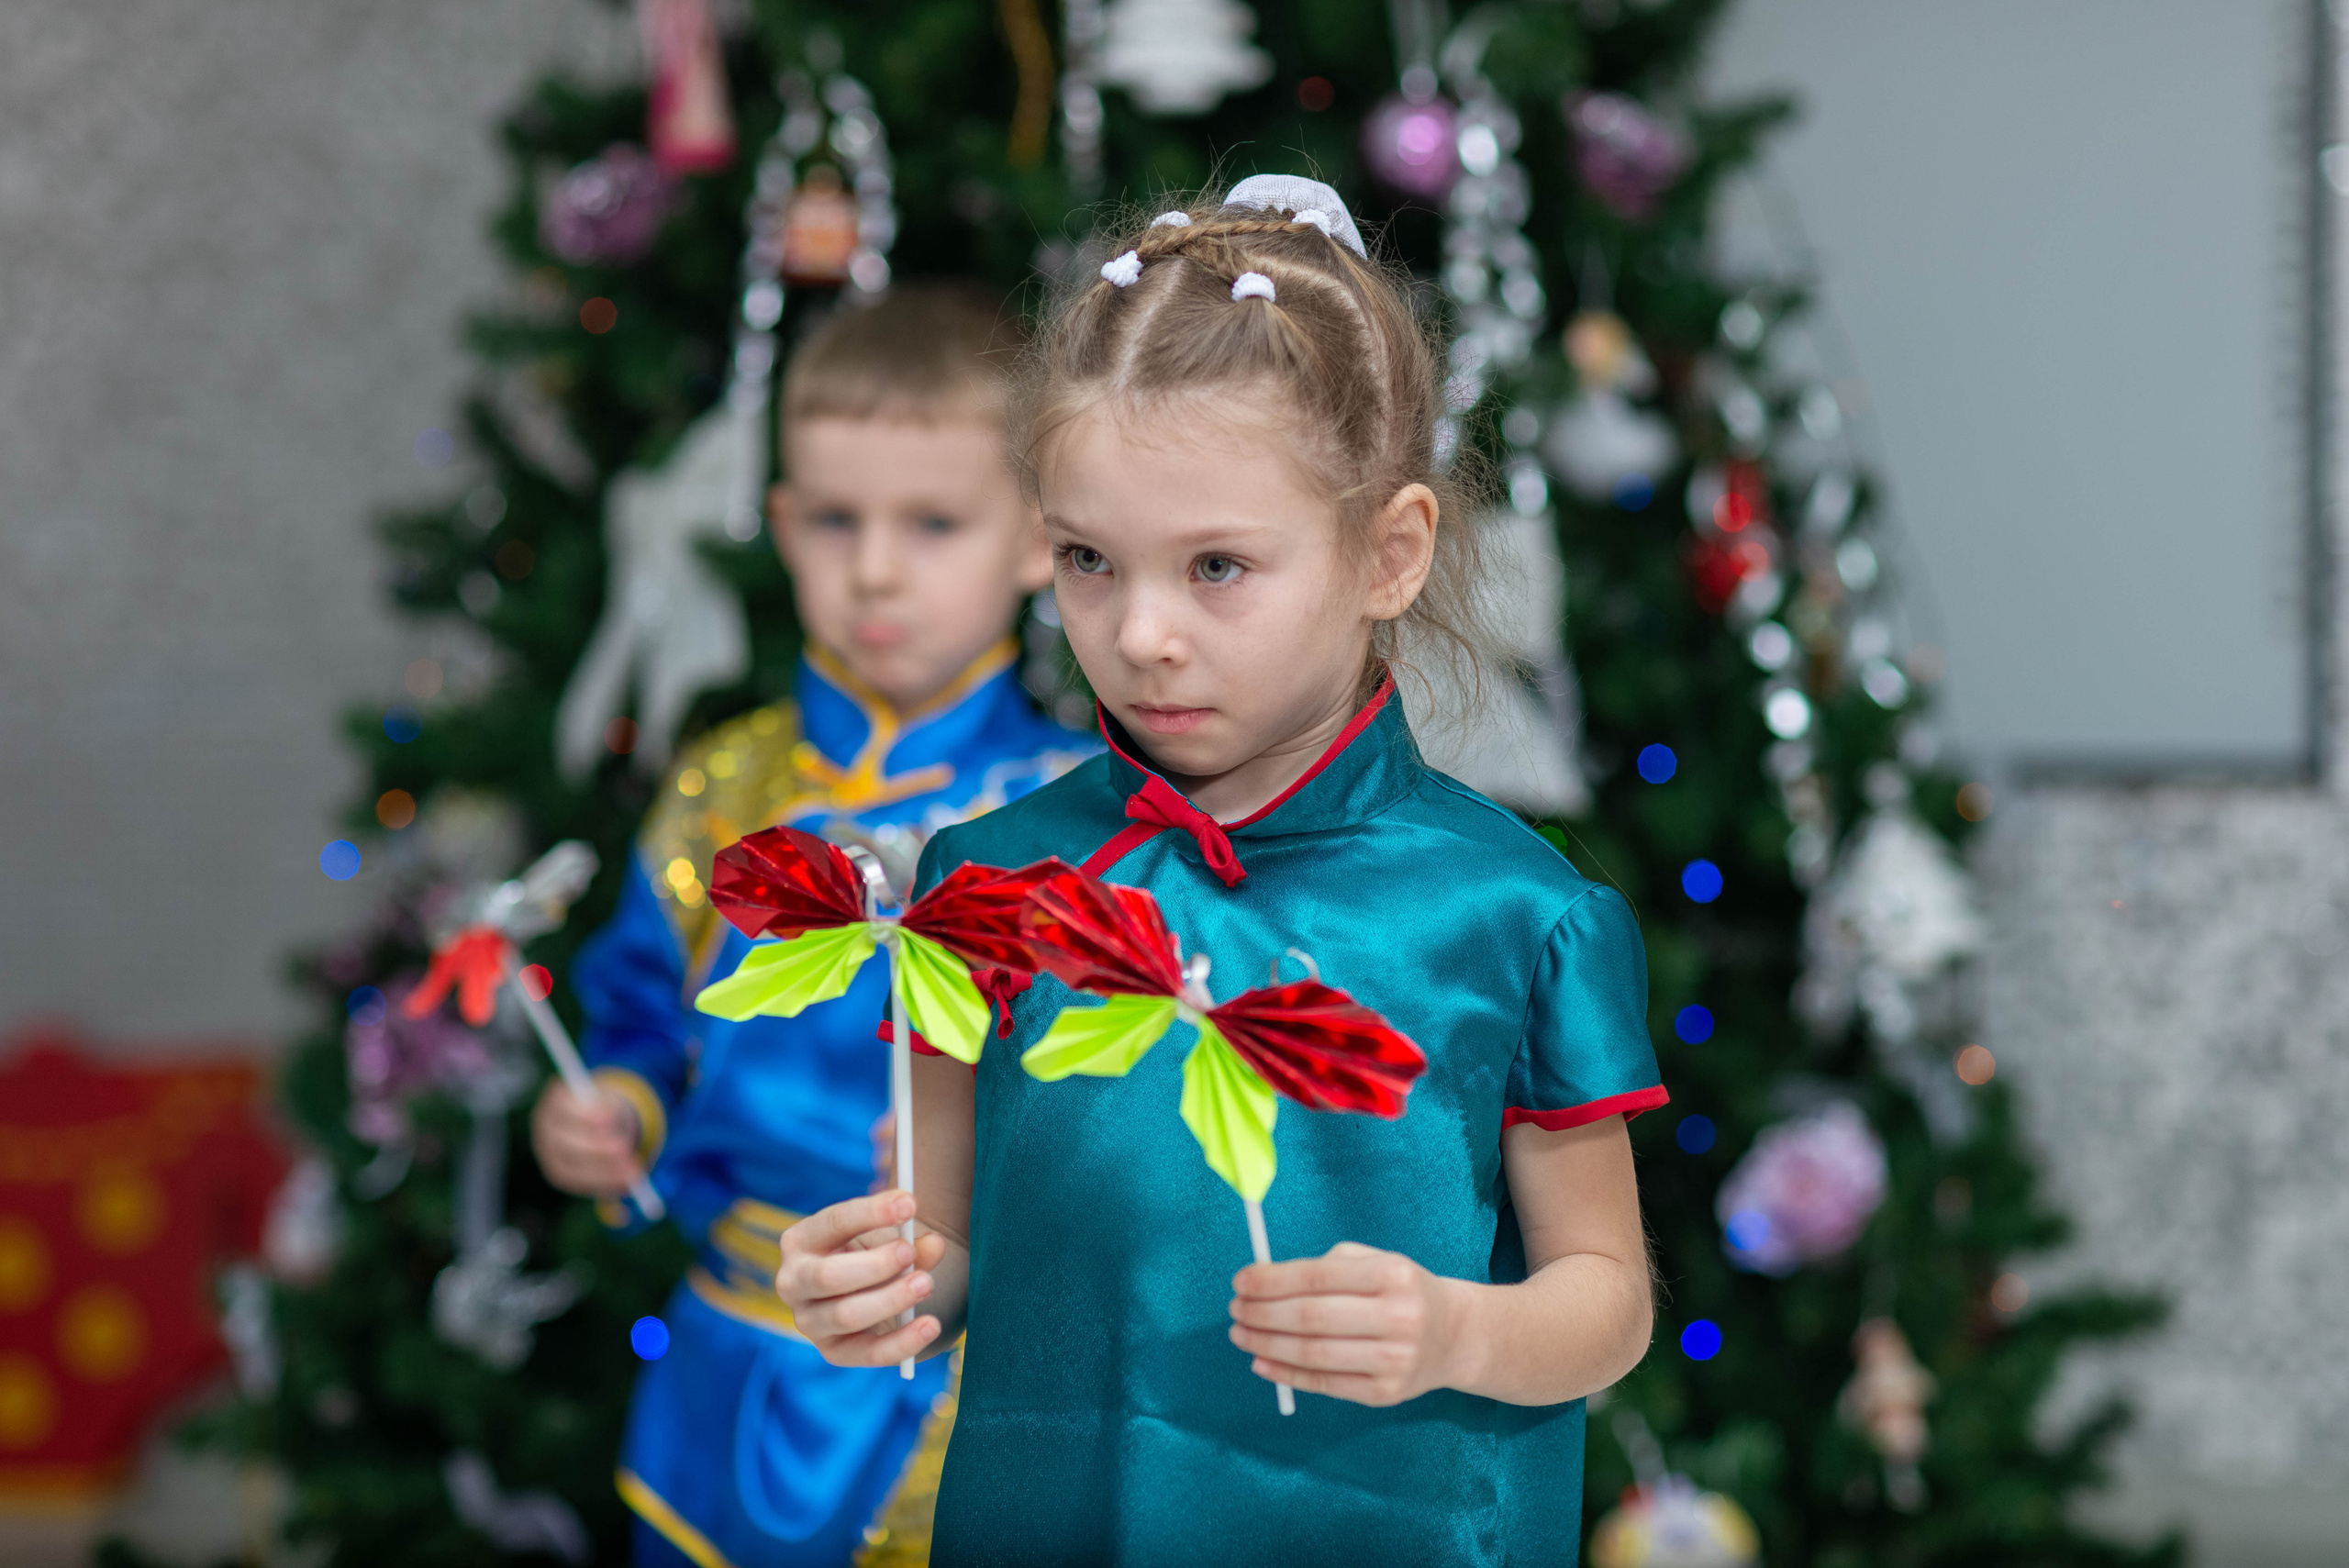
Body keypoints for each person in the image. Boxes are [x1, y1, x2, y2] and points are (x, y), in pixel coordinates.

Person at [771, 177, 1670, 1564]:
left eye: (1218, 567)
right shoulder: (984, 888)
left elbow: (1607, 1300)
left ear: (1388, 553)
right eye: (1087, 560)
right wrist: (879, 1286)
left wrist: (1456, 1327)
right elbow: (950, 1254)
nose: (1139, 633)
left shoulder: (1516, 916)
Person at [530, 283, 1096, 1568]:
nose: (876, 567)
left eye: (934, 522)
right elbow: (636, 1013)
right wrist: (614, 1104)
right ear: (782, 526)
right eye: (836, 519)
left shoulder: (1080, 820)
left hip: (973, 1385)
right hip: (725, 1353)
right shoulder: (722, 792)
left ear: (1038, 541)